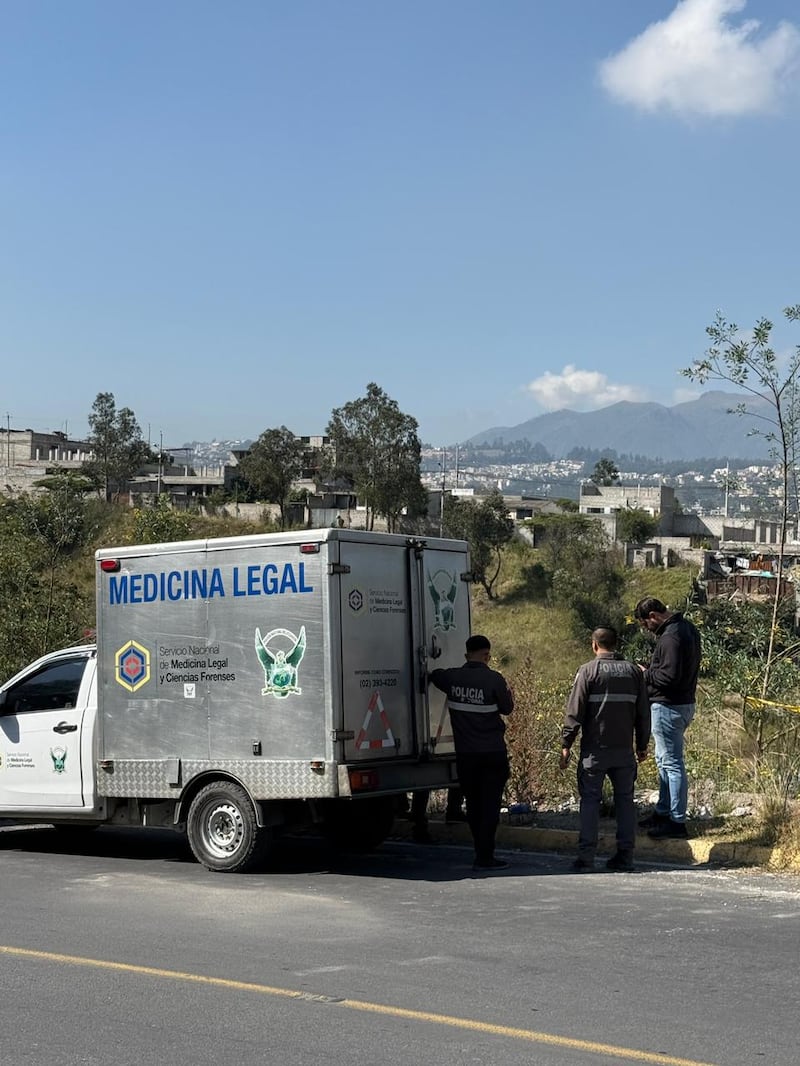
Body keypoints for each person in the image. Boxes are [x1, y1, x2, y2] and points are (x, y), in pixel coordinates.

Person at [560, 627, 650, 872]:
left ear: (594, 645)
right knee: (625, 802)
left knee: (590, 802)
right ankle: (625, 857)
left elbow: (575, 711)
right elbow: (643, 713)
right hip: (624, 751)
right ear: (616, 644)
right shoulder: (634, 672)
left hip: (595, 751)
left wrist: (566, 743)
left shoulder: (588, 671)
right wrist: (642, 745)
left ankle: (586, 858)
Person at [429, 635, 514, 871]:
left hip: (466, 755)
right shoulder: (494, 679)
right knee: (490, 805)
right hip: (493, 753)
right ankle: (486, 855)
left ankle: (480, 851)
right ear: (487, 655)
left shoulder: (452, 678)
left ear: (467, 654)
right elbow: (507, 708)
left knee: (474, 805)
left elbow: (435, 675)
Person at [633, 597, 701, 839]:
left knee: (671, 764)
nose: (647, 629)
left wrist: (645, 674)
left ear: (653, 616)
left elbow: (669, 677)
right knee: (664, 761)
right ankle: (663, 812)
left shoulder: (671, 637)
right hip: (683, 703)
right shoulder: (687, 628)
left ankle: (676, 821)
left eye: (645, 624)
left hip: (669, 706)